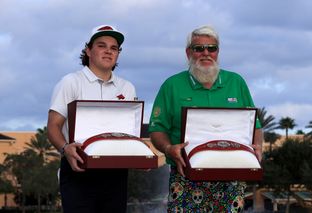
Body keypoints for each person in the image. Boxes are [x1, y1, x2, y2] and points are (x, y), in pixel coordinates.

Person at [148, 25, 263, 212]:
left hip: (231, 175)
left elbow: (254, 125)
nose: (206, 53)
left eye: (212, 48)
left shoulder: (236, 82)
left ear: (218, 51)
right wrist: (169, 148)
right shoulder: (172, 85)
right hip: (186, 174)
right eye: (198, 48)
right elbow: (157, 129)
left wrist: (258, 146)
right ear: (188, 53)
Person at [47, 25, 136, 213]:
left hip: (116, 172)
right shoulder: (70, 82)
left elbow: (130, 133)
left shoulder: (127, 88)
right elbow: (53, 126)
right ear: (88, 50)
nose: (108, 51)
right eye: (102, 46)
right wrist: (65, 149)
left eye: (114, 48)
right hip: (78, 167)